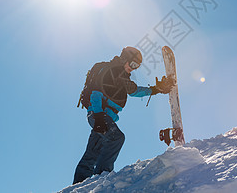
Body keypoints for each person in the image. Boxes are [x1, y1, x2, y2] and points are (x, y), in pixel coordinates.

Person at [73, 46, 173, 184]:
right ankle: (101, 179)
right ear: (125, 59)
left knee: (92, 155)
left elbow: (134, 91)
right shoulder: (113, 71)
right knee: (116, 138)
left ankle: (78, 186)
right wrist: (99, 118)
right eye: (132, 64)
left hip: (99, 116)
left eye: (137, 66)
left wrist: (156, 89)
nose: (133, 68)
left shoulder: (120, 75)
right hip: (99, 115)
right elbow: (96, 93)